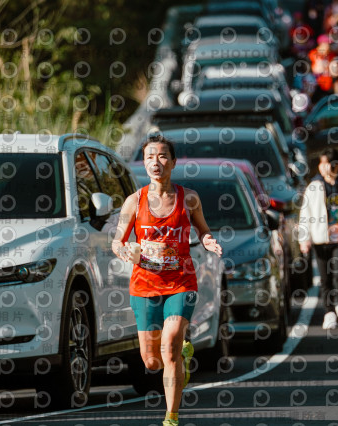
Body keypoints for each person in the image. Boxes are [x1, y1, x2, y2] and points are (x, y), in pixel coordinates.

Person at [111, 136, 223, 426]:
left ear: (173, 162)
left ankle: (171, 418)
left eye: (162, 156)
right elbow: (117, 241)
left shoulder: (190, 198)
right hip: (144, 285)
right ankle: (182, 358)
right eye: (150, 157)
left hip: (181, 283)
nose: (156, 162)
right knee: (151, 361)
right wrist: (124, 250)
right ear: (144, 163)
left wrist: (208, 241)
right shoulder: (134, 201)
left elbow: (203, 230)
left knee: (170, 342)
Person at [299, 148, 338, 329]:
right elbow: (305, 214)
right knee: (325, 277)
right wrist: (304, 239)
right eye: (321, 164)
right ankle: (328, 312)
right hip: (321, 238)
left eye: (326, 163)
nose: (323, 167)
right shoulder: (314, 187)